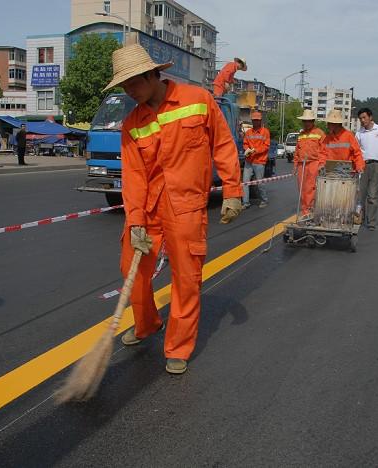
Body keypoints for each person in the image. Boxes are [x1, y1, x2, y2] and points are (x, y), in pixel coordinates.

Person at [106, 44, 243, 374]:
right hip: (149, 207)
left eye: (133, 84)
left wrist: (232, 191)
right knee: (132, 267)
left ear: (153, 74)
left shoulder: (198, 101)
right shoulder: (132, 123)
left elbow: (223, 144)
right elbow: (134, 176)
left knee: (186, 277)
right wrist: (136, 221)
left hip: (187, 205)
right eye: (124, 86)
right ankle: (146, 323)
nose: (130, 92)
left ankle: (179, 345)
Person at [355, 108, 378, 231]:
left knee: (373, 195)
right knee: (361, 194)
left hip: (377, 166)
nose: (362, 120)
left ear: (370, 117)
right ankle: (360, 218)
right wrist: (356, 166)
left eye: (364, 117)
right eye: (360, 118)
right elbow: (356, 151)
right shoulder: (359, 133)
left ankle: (371, 222)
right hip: (363, 165)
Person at [293, 109, 327, 216]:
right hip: (301, 164)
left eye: (308, 121)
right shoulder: (301, 135)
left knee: (310, 188)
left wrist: (321, 164)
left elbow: (324, 151)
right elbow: (297, 151)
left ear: (312, 121)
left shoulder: (319, 133)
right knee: (302, 188)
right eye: (304, 121)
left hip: (314, 163)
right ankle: (305, 210)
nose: (306, 123)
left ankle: (309, 210)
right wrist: (295, 165)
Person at [242, 111, 270, 208]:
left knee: (259, 182)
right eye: (254, 120)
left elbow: (266, 146)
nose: (255, 122)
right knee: (245, 182)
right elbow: (245, 143)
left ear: (260, 121)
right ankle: (245, 203)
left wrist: (255, 151)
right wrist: (247, 149)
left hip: (259, 161)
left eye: (257, 120)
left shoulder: (265, 132)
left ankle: (264, 200)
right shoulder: (248, 132)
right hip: (249, 161)